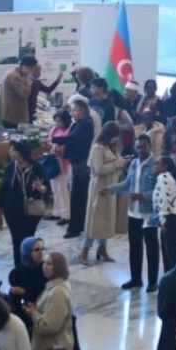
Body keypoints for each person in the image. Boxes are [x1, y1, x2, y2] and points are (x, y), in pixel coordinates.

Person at [104, 134, 159, 290]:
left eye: (143, 147)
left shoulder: (156, 165)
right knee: (135, 248)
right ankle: (136, 279)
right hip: (133, 214)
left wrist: (142, 196)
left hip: (148, 215)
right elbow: (127, 183)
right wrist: (110, 189)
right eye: (137, 147)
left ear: (149, 147)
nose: (140, 150)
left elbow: (158, 191)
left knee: (152, 249)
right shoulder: (134, 163)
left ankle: (153, 282)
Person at [0, 139, 48, 268]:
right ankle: (19, 268)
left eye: (13, 150)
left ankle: (29, 266)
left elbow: (46, 187)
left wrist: (41, 188)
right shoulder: (10, 168)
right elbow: (3, 189)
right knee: (17, 240)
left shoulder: (36, 167)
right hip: (12, 211)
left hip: (32, 211)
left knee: (29, 240)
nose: (10, 152)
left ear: (21, 152)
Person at [82, 121, 127, 264]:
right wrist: (118, 163)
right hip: (99, 187)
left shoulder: (110, 148)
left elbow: (115, 164)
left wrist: (122, 162)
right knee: (95, 220)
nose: (117, 139)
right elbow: (99, 169)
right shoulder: (97, 148)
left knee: (106, 220)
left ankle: (102, 249)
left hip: (110, 187)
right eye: (115, 136)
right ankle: (84, 251)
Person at [54, 98, 94, 240]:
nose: (72, 113)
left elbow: (73, 139)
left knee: (78, 197)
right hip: (76, 162)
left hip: (81, 165)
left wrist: (54, 139)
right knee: (77, 196)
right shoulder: (78, 124)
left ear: (83, 110)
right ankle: (78, 225)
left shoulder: (86, 124)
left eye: (75, 110)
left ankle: (76, 227)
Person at [27, 251, 75, 350]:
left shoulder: (58, 292)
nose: (44, 266)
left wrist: (33, 313)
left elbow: (50, 327)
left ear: (58, 267)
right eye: (44, 263)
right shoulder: (54, 285)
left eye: (49, 264)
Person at [154, 156, 176, 273]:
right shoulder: (167, 177)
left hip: (173, 219)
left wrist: (163, 221)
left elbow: (165, 199)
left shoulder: (163, 177)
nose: (154, 166)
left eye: (157, 163)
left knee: (171, 256)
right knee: (168, 254)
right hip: (174, 218)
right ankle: (169, 279)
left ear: (164, 167)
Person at [48, 108, 72, 224]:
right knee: (54, 189)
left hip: (64, 163)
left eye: (59, 121)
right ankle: (56, 212)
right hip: (54, 162)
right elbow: (50, 142)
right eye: (56, 121)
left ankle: (66, 214)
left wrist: (55, 147)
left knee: (62, 189)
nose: (57, 123)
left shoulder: (69, 131)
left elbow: (65, 147)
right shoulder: (54, 130)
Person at [1, 55, 36, 129]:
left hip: (13, 114)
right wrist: (29, 81)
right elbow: (24, 93)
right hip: (13, 116)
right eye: (31, 69)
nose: (31, 72)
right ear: (25, 66)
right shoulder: (15, 76)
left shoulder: (14, 73)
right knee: (14, 135)